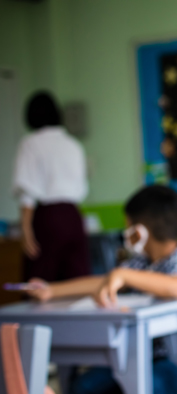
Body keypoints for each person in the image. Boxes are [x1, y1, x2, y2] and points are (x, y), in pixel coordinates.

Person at [27, 185, 177, 394]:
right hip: (137, 360)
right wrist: (51, 290)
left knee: (150, 387)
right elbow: (100, 282)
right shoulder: (141, 262)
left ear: (140, 231)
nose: (125, 236)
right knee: (81, 389)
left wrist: (122, 275)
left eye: (128, 229)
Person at [12, 91, 90, 281]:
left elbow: (28, 191)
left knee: (40, 283)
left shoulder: (31, 143)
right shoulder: (74, 144)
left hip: (48, 219)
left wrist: (26, 229)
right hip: (74, 217)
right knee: (76, 280)